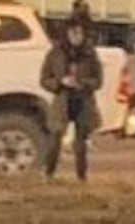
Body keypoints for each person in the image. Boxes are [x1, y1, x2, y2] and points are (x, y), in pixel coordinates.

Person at [40, 19, 102, 181]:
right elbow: (44, 79)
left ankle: (81, 177)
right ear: (66, 34)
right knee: (55, 139)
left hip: (83, 101)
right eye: (73, 33)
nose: (76, 37)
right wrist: (60, 83)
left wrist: (82, 83)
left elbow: (98, 79)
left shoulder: (90, 53)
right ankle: (49, 174)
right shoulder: (56, 53)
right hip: (62, 100)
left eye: (79, 33)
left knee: (81, 144)